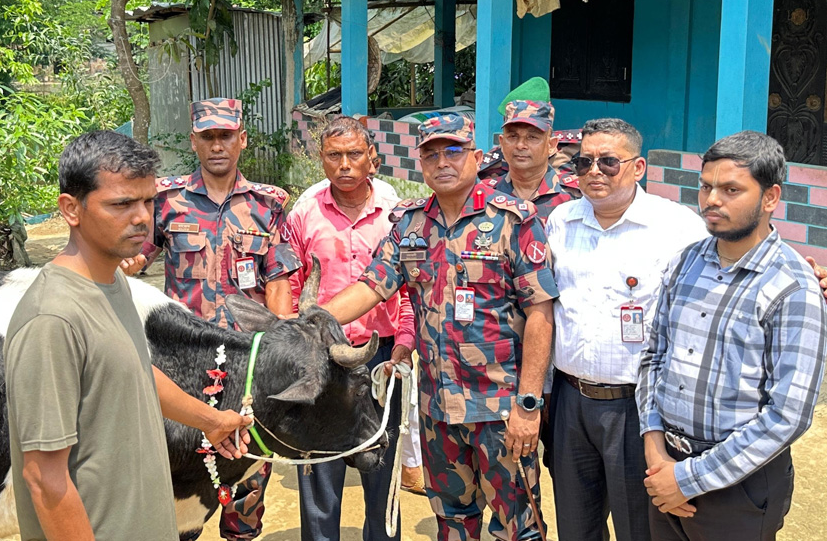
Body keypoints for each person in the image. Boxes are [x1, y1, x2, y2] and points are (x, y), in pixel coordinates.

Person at [318, 113, 558, 540]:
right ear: (421, 163)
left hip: (500, 410)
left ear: (477, 157)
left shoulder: (513, 220)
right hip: (437, 411)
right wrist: (312, 321)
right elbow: (371, 287)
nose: (442, 162)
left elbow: (540, 314)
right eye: (431, 154)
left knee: (518, 528)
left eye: (453, 151)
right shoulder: (410, 225)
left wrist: (528, 404)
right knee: (452, 522)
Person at [5, 130, 252, 541]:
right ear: (71, 209)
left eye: (148, 201)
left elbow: (132, 370)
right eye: (121, 204)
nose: (141, 217)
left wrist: (210, 420)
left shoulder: (113, 283)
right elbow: (44, 480)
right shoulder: (52, 318)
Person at [122, 97, 301, 540]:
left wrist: (282, 350)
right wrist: (124, 261)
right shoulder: (168, 201)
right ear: (194, 142)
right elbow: (135, 258)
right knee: (180, 482)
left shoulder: (267, 205)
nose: (217, 145)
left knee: (247, 483)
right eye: (208, 137)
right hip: (183, 367)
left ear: (242, 140)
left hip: (246, 369)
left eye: (225, 136)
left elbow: (278, 280)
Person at [638, 130, 827, 541]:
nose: (711, 200)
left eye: (731, 190)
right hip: (664, 465)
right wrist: (654, 446)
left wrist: (688, 478)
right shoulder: (686, 262)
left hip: (738, 485)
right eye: (705, 186)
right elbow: (654, 356)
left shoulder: (793, 286)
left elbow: (788, 415)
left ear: (770, 197)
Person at [545, 118, 708, 541]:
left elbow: (728, 269)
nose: (594, 171)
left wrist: (808, 274)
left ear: (638, 168)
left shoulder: (677, 226)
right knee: (576, 527)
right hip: (570, 401)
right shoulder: (561, 221)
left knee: (639, 528)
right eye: (584, 162)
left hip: (640, 408)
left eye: (608, 162)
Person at [282, 116, 416, 541]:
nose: (344, 164)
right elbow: (290, 284)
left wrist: (405, 342)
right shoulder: (304, 214)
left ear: (371, 157)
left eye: (354, 154)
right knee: (319, 466)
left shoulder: (397, 215)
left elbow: (409, 288)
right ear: (321, 159)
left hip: (381, 359)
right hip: (320, 359)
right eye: (334, 155)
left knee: (381, 465)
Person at [482, 98, 581, 224]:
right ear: (501, 143)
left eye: (532, 137)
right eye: (513, 136)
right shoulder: (483, 193)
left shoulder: (578, 195)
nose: (520, 145)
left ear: (551, 145)